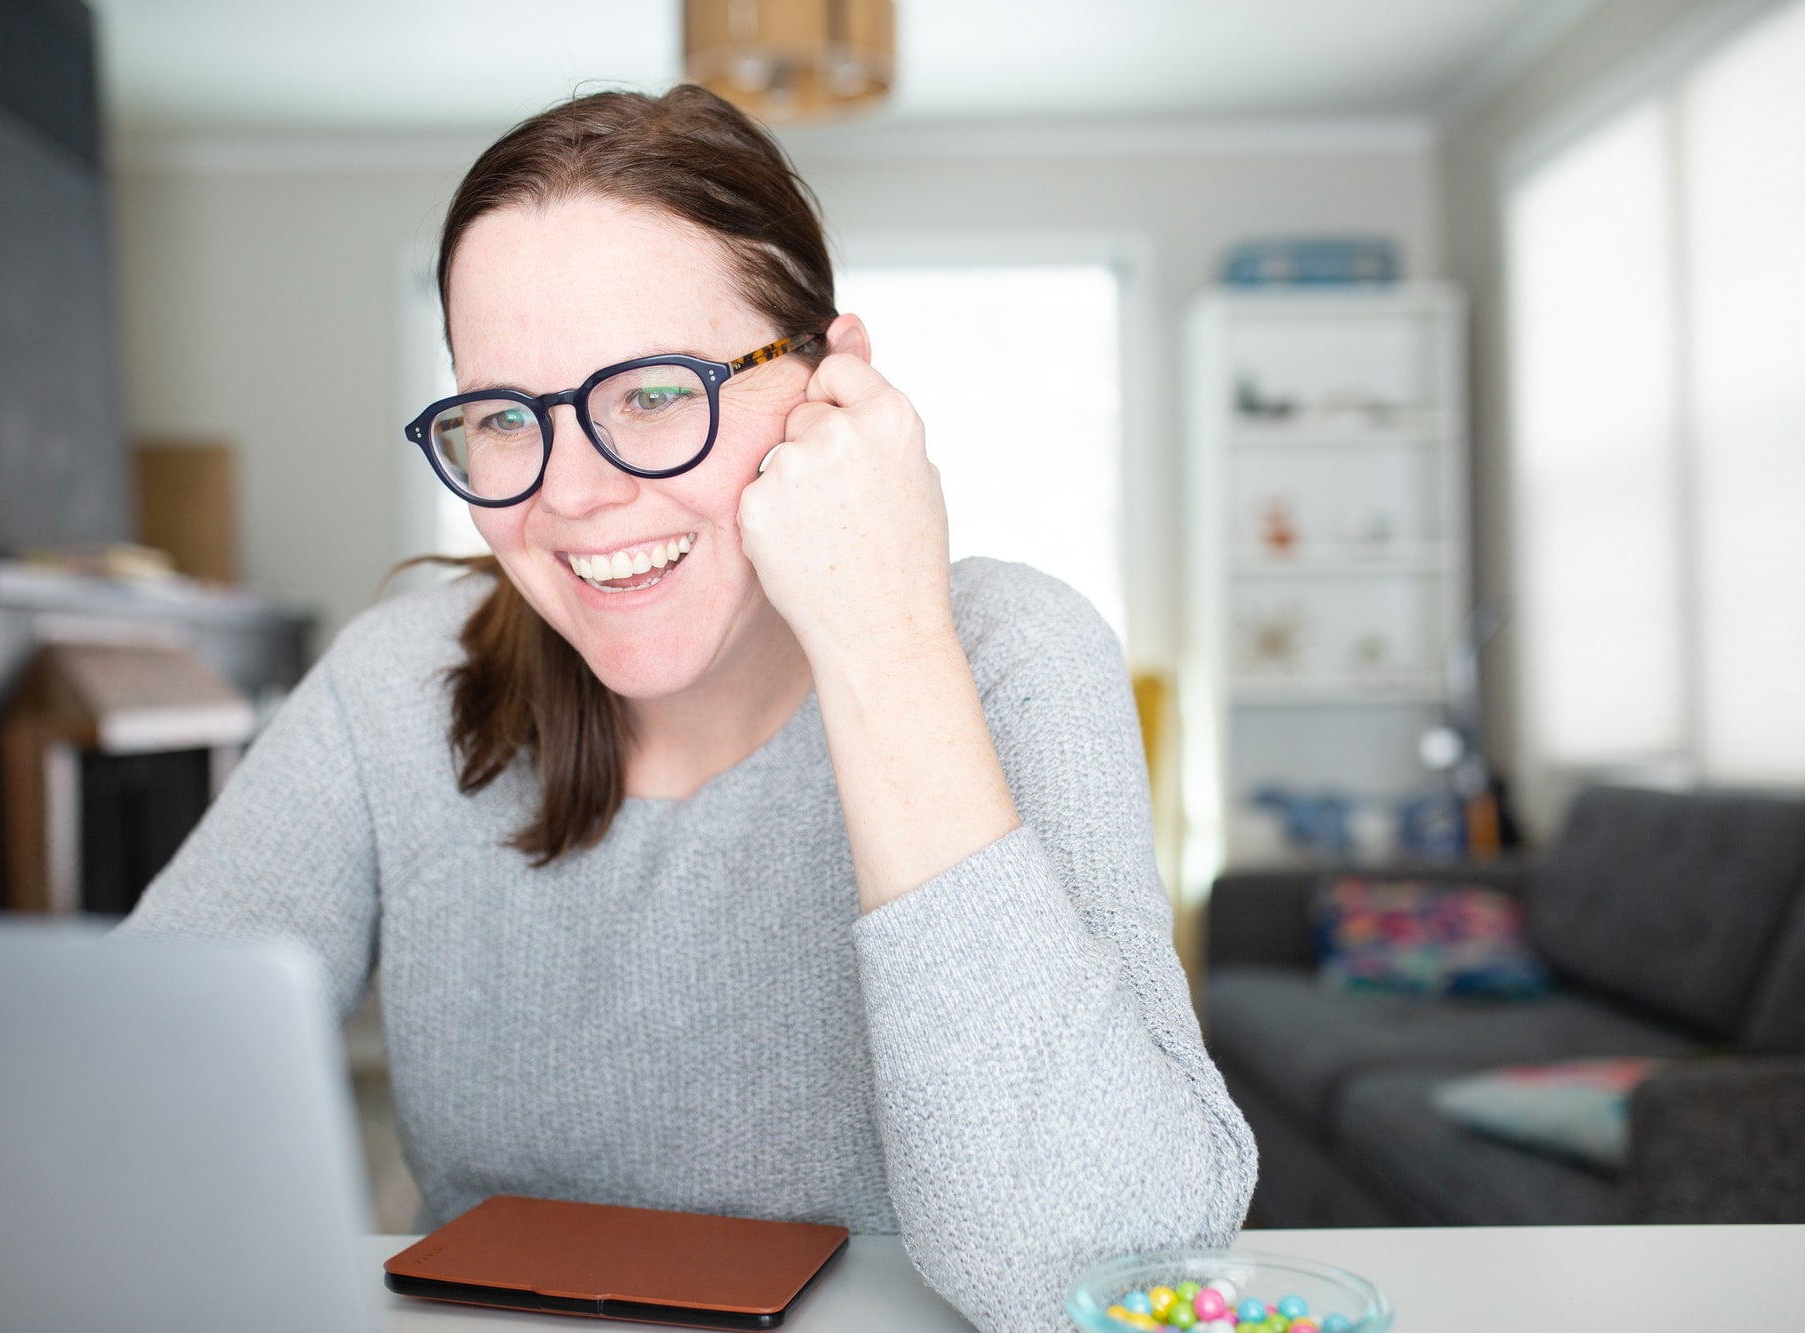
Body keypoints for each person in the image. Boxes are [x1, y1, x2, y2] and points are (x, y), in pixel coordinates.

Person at [121, 85, 1254, 1333]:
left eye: (655, 393)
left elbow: (1099, 1279)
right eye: (504, 417)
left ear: (830, 384)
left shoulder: (1007, 658)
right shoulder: (396, 683)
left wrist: (883, 642)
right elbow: (117, 1095)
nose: (575, 493)